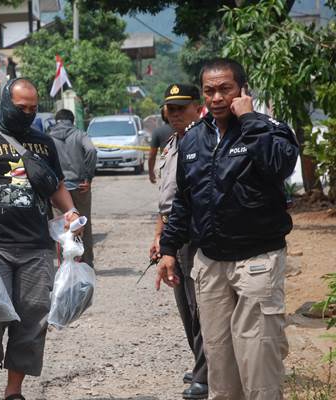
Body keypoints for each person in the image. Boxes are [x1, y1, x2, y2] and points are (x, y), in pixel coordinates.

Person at [156, 58, 299, 400]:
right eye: (209, 91)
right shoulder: (193, 140)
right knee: (219, 363)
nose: (217, 97)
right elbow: (183, 202)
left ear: (242, 90)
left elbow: (280, 166)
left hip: (257, 260)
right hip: (211, 262)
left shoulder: (269, 128)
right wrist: (169, 249)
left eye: (225, 89)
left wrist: (249, 119)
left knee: (258, 359)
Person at [0, 78, 81, 400]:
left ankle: (14, 390)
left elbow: (57, 186)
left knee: (34, 315)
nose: (27, 114)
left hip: (36, 245)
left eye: (33, 109)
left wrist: (71, 212)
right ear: (6, 104)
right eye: (21, 108)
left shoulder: (44, 143)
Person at [149, 83, 208, 399]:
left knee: (201, 306)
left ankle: (207, 372)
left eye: (181, 108)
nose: (174, 114)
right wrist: (159, 235)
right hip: (174, 233)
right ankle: (201, 362)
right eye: (170, 109)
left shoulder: (205, 140)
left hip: (195, 233)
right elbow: (167, 198)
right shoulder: (173, 143)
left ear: (197, 108)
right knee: (185, 306)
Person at [49, 109, 97, 268]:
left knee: (62, 228)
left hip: (57, 190)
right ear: (72, 120)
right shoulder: (80, 134)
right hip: (80, 187)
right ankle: (87, 263)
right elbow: (91, 150)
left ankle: (65, 264)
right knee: (84, 225)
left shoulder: (48, 137)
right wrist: (88, 177)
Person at [148, 110, 173, 184]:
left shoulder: (158, 131)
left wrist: (151, 172)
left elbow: (152, 155)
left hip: (166, 168)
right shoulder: (186, 128)